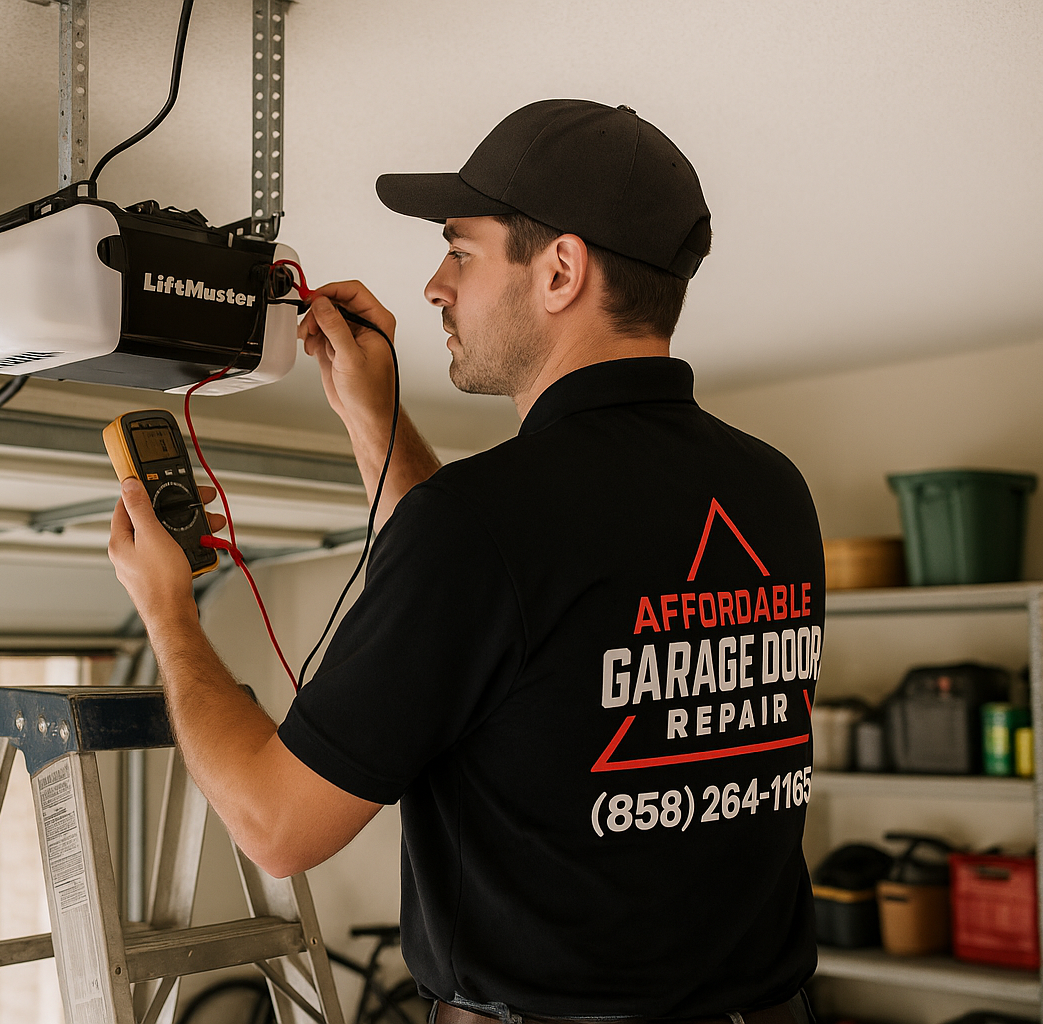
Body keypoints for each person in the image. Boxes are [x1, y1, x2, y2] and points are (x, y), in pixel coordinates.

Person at [108, 99, 824, 1024]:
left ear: (560, 269)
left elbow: (274, 826)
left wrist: (168, 611)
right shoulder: (773, 490)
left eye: (460, 249)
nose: (437, 286)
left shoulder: (487, 522)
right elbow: (499, 607)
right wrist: (375, 415)